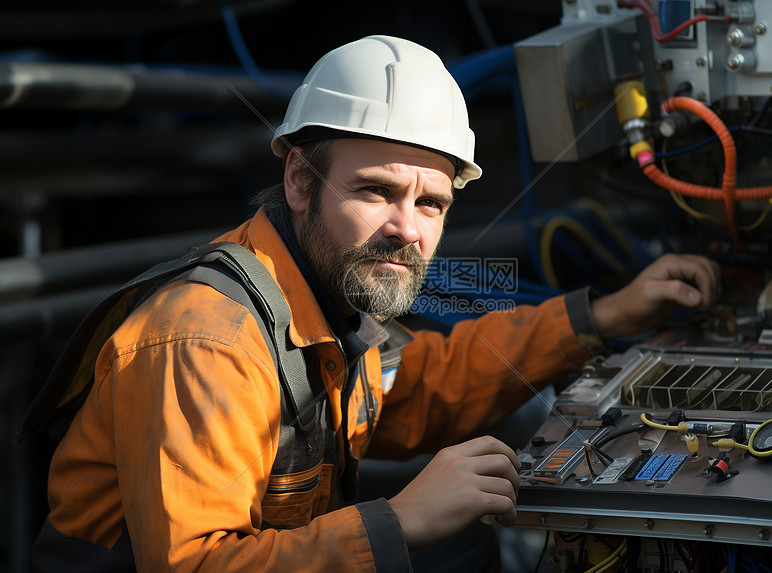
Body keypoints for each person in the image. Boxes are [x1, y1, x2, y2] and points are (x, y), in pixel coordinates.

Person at [30, 35, 719, 572]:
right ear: (300, 180)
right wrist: (399, 518)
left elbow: (416, 389)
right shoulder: (207, 339)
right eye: (375, 191)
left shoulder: (329, 298)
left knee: (456, 547)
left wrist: (601, 317)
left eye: (430, 203)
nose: (407, 228)